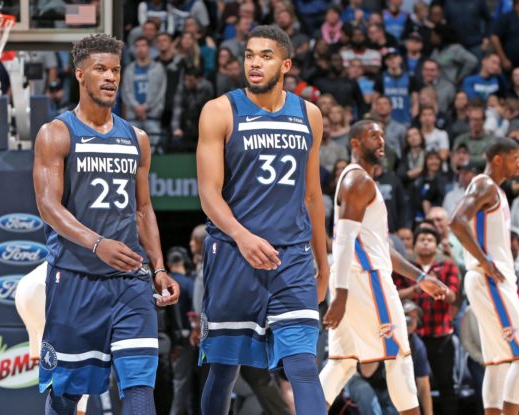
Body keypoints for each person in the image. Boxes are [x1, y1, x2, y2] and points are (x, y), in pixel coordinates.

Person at [32, 34, 180, 415]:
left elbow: (143, 209)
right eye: (101, 69)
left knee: (140, 386)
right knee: (66, 394)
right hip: (76, 278)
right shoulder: (56, 133)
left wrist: (158, 268)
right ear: (80, 74)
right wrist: (98, 243)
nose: (111, 77)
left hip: (130, 281)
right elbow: (48, 206)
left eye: (115, 70)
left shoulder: (137, 138)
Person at [196, 25, 330, 415]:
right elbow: (209, 194)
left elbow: (312, 196)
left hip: (291, 256)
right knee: (225, 367)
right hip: (233, 254)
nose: (254, 63)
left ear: (285, 65)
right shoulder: (219, 111)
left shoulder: (309, 114)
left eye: (266, 56)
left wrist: (323, 265)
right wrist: (242, 236)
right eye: (250, 55)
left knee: (303, 364)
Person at [319, 120, 450, 415]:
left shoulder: (361, 180)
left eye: (382, 135)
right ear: (354, 143)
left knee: (341, 363)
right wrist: (341, 294)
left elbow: (379, 247)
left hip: (354, 278)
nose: (381, 141)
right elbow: (344, 242)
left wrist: (420, 277)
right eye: (372, 136)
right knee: (399, 356)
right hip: (365, 280)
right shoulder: (358, 182)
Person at [450, 136, 519, 415]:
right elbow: (456, 221)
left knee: (498, 362)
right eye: (516, 158)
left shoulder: (495, 190)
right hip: (489, 280)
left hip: (489, 280)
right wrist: (484, 260)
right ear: (498, 159)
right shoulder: (485, 185)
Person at [397, 226, 460, 413]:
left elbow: (453, 296)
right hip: (411, 336)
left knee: (446, 385)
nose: (425, 242)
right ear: (414, 244)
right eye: (422, 239)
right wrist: (415, 289)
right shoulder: (405, 267)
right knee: (408, 387)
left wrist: (439, 289)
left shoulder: (448, 265)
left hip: (440, 335)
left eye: (430, 240)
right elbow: (392, 294)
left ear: (437, 245)